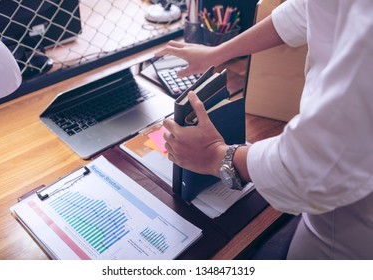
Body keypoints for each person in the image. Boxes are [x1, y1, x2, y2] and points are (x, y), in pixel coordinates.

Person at [155, 0, 373, 259]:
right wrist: (218, 52)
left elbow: (310, 166)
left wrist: (215, 156)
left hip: (348, 233)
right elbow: (309, 9)